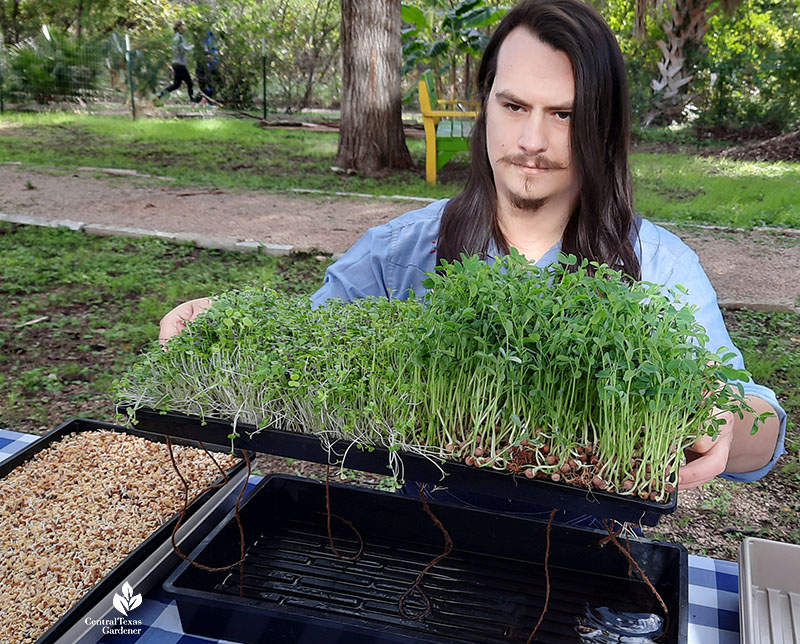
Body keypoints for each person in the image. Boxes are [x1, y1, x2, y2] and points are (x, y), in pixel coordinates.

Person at [160, 0, 785, 500]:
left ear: (601, 124)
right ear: (485, 105)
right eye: (513, 106)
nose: (532, 140)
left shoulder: (661, 268)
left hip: (590, 567)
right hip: (412, 551)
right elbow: (306, 344)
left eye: (564, 115)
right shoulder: (399, 254)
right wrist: (226, 324)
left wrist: (728, 422)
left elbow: (766, 429)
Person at [156, 20, 201, 104]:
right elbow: (184, 48)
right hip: (180, 64)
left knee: (176, 85)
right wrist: (194, 46)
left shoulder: (179, 37)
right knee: (189, 82)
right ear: (179, 27)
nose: (185, 27)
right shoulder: (178, 38)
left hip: (177, 63)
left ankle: (159, 95)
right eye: (183, 25)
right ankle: (192, 100)